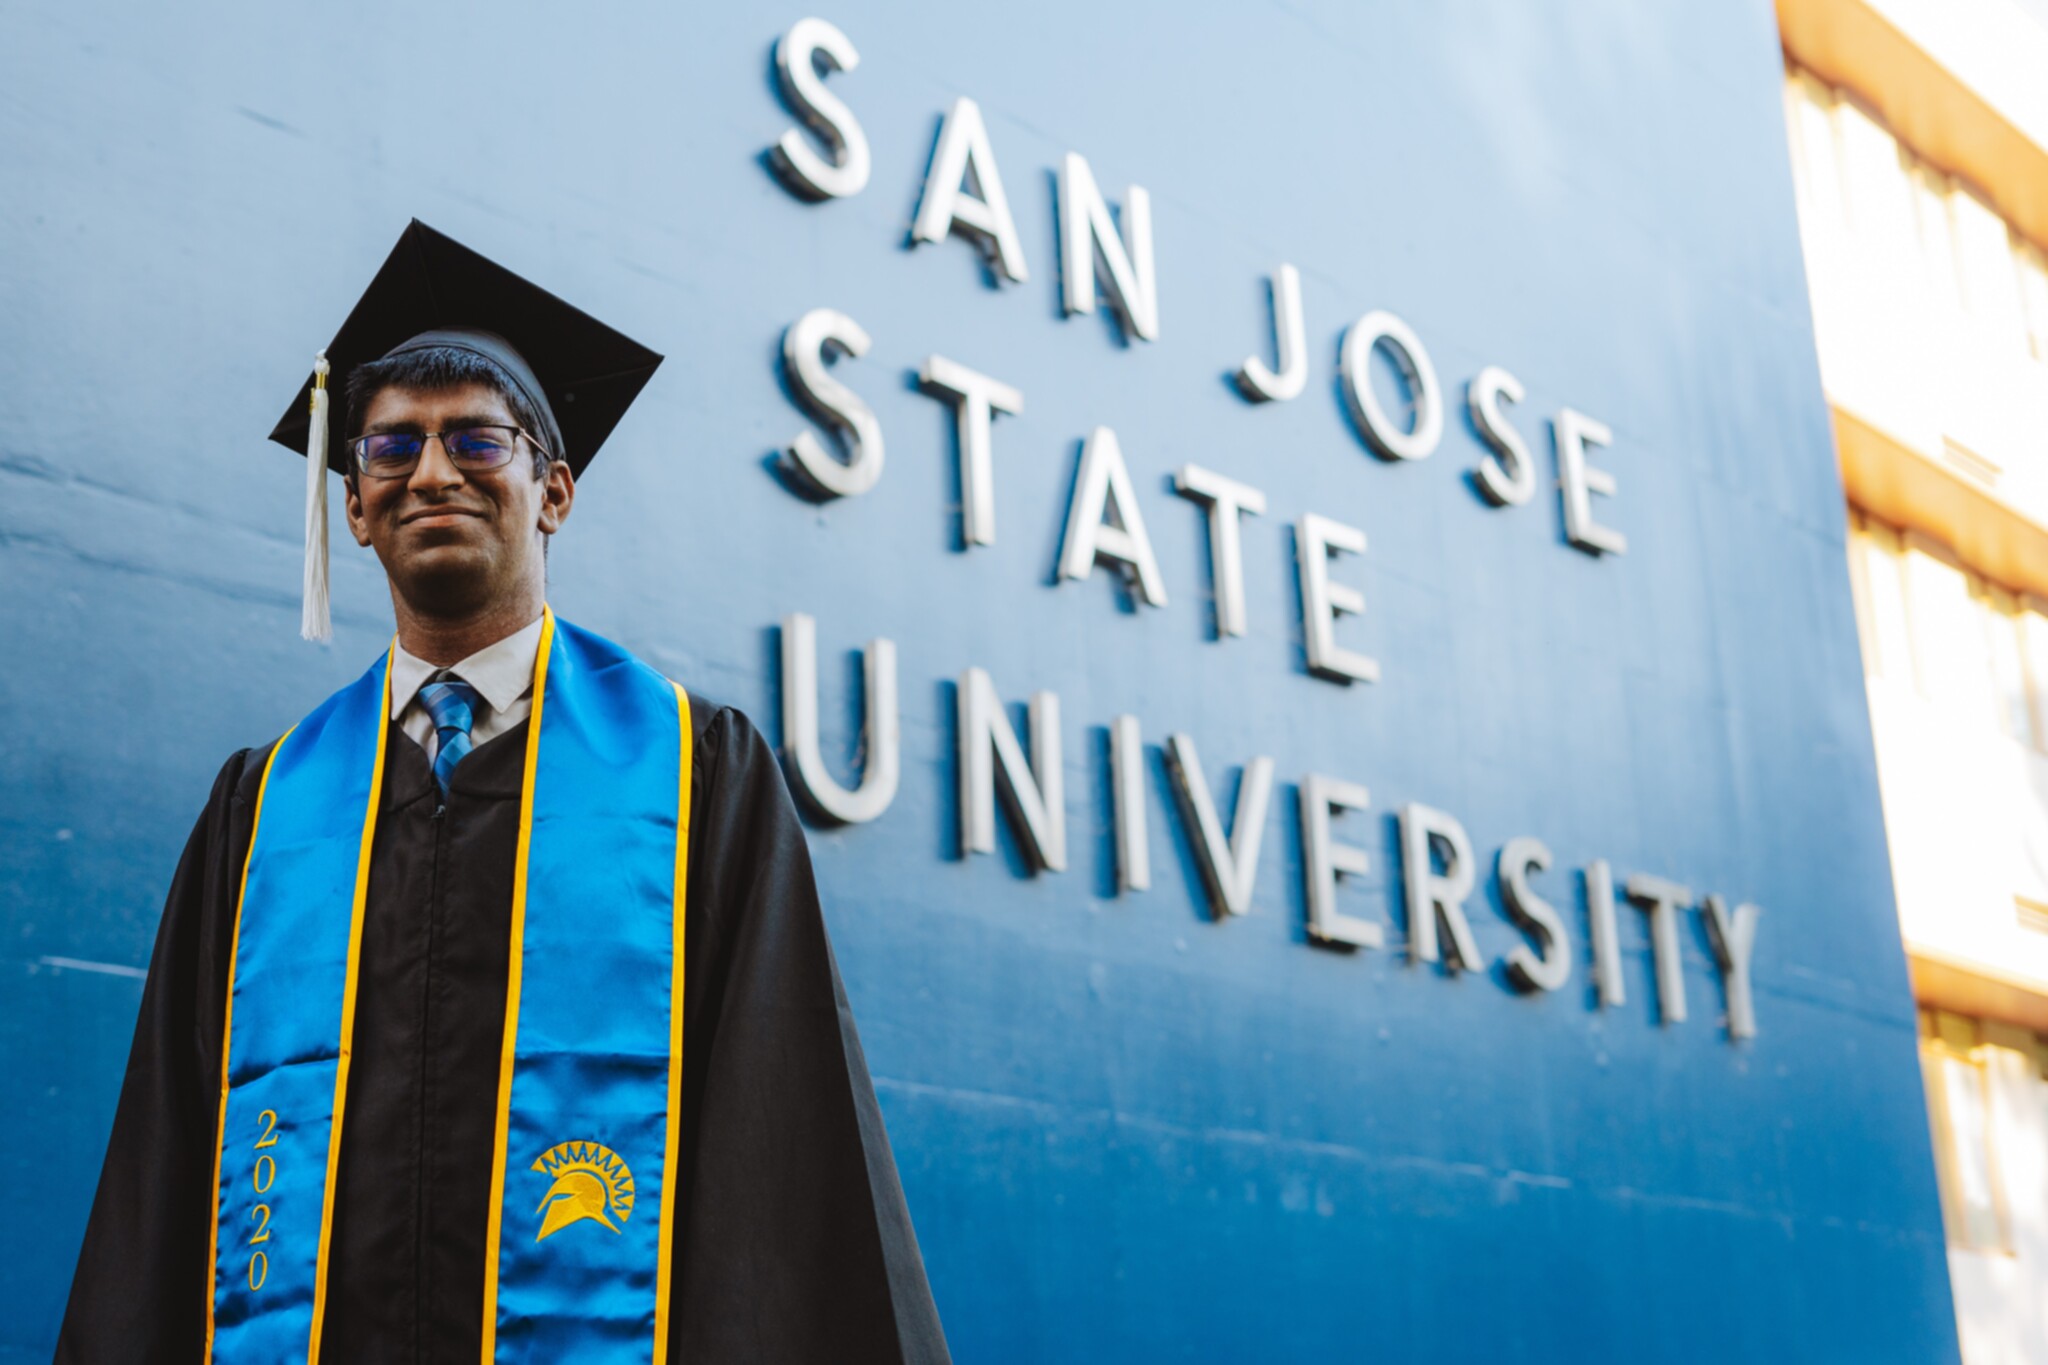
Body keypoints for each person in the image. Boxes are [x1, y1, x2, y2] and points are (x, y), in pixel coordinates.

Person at [56, 221, 948, 1363]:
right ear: (357, 510)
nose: (432, 471)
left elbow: (785, 1157)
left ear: (553, 491)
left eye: (478, 441)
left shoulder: (694, 772)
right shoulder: (264, 806)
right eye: (390, 451)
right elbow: (166, 1166)